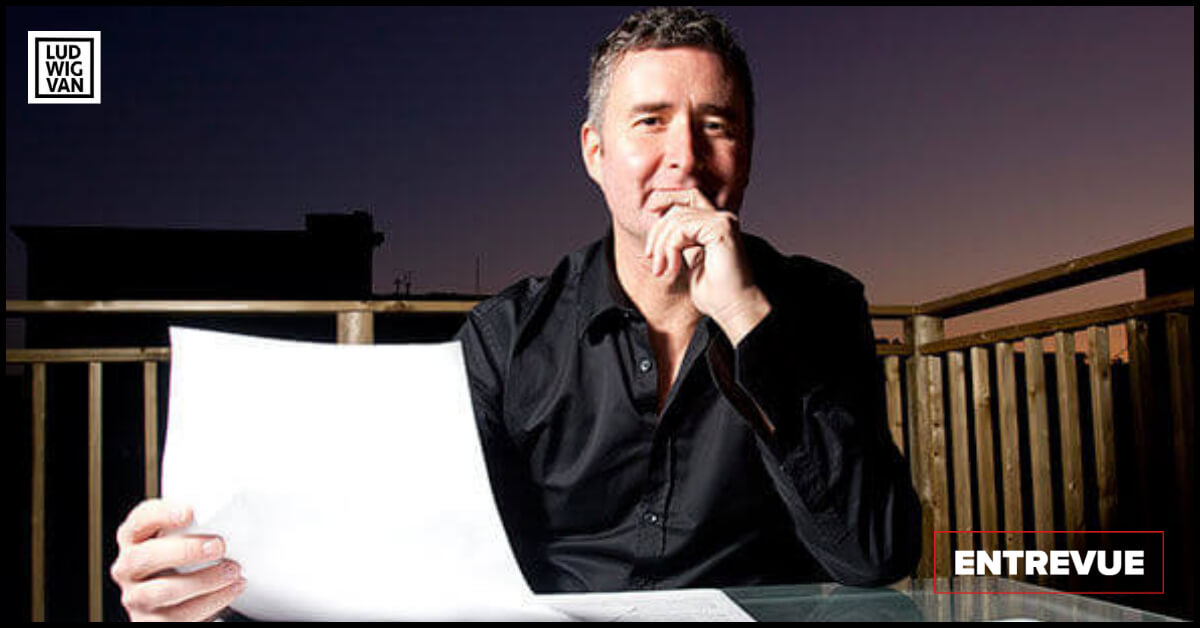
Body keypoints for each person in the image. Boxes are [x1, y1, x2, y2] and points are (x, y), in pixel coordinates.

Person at [110, 7, 920, 620]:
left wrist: (745, 319)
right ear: (594, 152)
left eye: (717, 125)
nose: (685, 156)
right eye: (650, 122)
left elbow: (874, 556)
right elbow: (408, 546)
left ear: (747, 149)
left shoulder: (820, 306)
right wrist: (210, 594)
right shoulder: (508, 338)